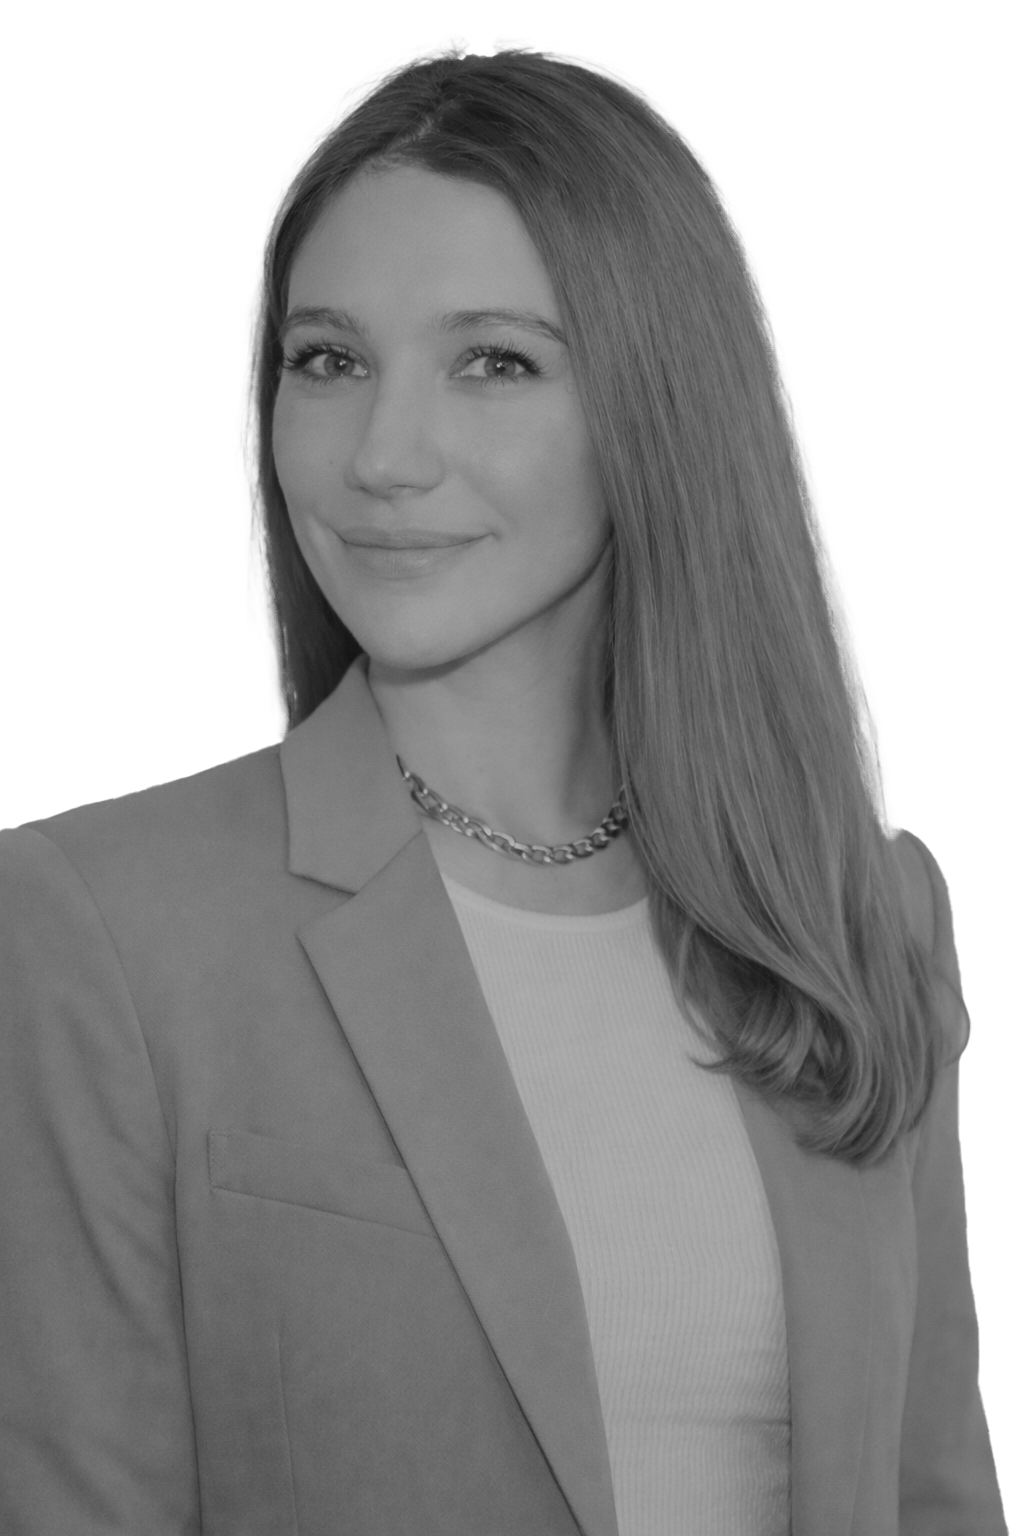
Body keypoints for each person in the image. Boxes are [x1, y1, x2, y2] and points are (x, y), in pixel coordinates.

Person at [0, 32, 1008, 1536]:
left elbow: (935, 1494)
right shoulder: (102, 929)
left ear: (660, 408)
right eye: (328, 361)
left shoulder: (860, 903)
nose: (384, 455)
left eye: (496, 362)